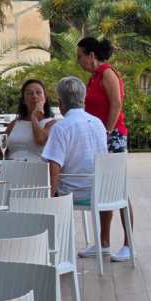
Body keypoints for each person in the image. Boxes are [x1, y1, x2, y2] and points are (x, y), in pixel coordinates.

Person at [41, 77, 116, 259]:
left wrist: (49, 199)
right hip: (101, 190)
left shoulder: (61, 127)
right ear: (83, 99)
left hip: (75, 192)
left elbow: (54, 167)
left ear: (61, 103)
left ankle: (56, 248)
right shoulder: (98, 123)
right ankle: (103, 242)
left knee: (41, 195)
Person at [76, 37, 133, 260]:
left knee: (118, 188)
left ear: (91, 55)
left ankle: (128, 244)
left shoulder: (107, 73)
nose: (78, 61)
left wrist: (107, 132)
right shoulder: (94, 77)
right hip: (100, 138)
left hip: (113, 137)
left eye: (80, 56)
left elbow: (116, 104)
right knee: (103, 188)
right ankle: (103, 242)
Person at [3, 79, 56, 162]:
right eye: (29, 93)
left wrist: (34, 117)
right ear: (23, 100)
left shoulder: (51, 123)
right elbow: (0, 151)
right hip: (12, 166)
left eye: (38, 92)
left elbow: (40, 140)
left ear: (45, 98)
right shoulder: (14, 124)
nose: (34, 96)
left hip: (37, 168)